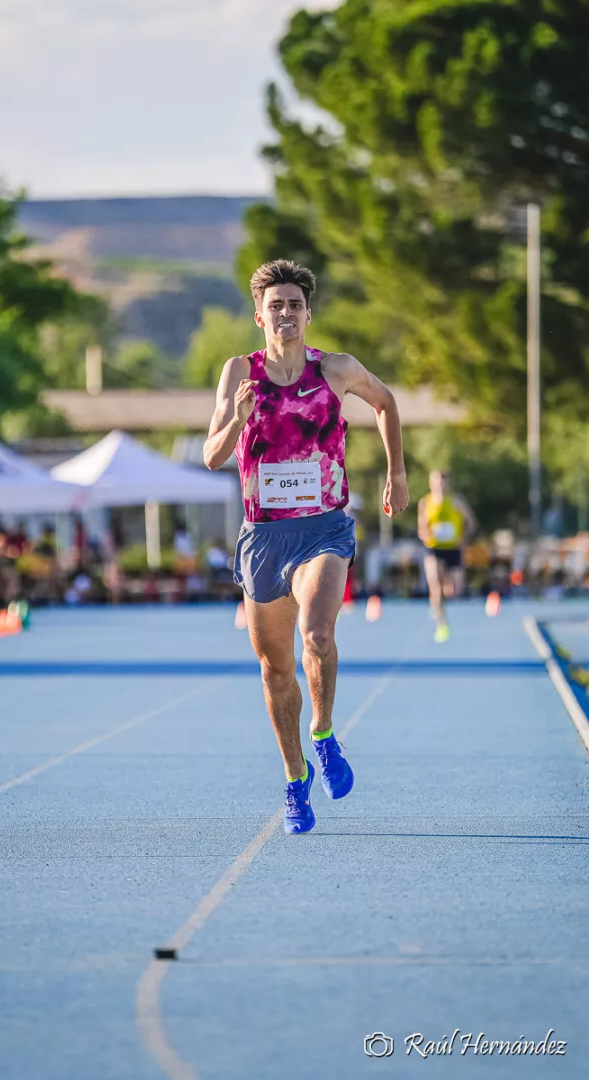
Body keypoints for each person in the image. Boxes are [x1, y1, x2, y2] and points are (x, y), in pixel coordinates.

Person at [204, 259, 409, 834]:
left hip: (324, 527)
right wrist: (235, 419)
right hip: (264, 537)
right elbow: (211, 456)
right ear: (259, 317)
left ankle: (323, 734)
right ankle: (295, 780)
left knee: (317, 633)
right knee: (274, 671)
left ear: (308, 313)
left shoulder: (336, 370)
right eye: (276, 306)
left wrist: (396, 473)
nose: (286, 314)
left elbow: (387, 402)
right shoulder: (237, 374)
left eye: (295, 304)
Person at [417, 470, 476, 643]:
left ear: (447, 484)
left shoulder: (456, 501)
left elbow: (471, 522)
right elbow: (422, 526)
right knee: (435, 584)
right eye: (436, 482)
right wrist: (426, 535)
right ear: (431, 483)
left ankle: (439, 602)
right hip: (434, 549)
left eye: (443, 482)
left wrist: (463, 539)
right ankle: (441, 623)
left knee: (452, 591)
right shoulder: (425, 502)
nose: (440, 486)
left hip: (453, 549)